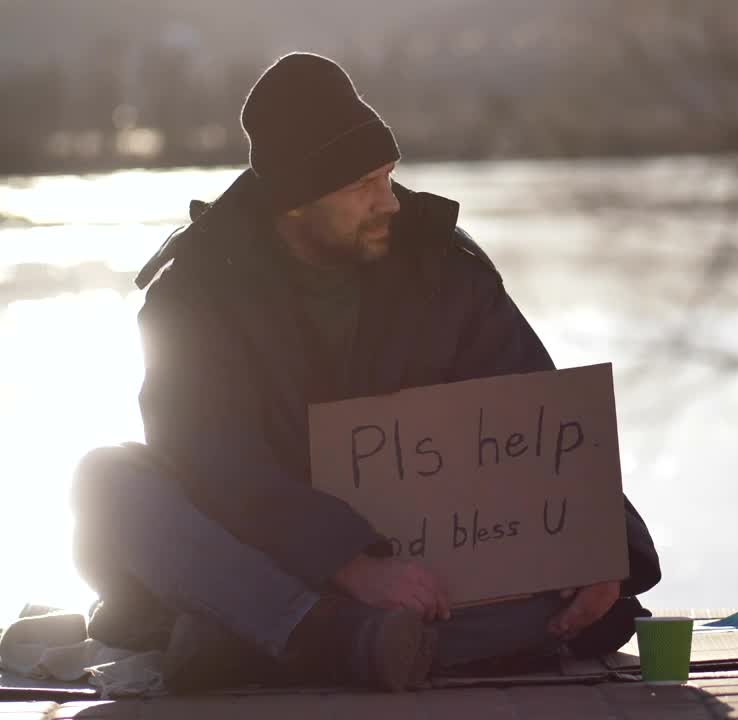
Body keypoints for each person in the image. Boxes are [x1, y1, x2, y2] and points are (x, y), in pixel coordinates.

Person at [69, 52, 661, 693]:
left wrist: (601, 549)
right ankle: (312, 633)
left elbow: (539, 414)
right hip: (268, 558)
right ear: (296, 202)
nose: (390, 204)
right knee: (108, 482)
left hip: (422, 570)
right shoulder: (195, 292)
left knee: (595, 611)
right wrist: (347, 563)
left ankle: (261, 644)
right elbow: (211, 463)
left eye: (387, 176)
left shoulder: (444, 268)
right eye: (361, 187)